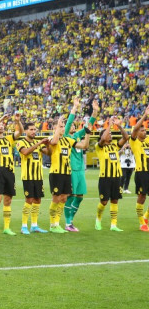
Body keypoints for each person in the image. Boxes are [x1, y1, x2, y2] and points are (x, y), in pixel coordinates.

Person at [47, 116, 90, 233]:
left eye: (63, 127)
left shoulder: (68, 140)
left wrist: (87, 134)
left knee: (64, 198)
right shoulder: (51, 138)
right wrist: (58, 124)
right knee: (56, 199)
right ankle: (52, 225)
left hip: (67, 173)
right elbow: (54, 142)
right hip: (56, 173)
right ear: (55, 129)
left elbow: (84, 146)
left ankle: (57, 224)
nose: (62, 128)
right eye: (60, 127)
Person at [63, 98, 99, 231]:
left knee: (79, 197)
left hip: (80, 170)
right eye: (71, 125)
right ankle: (67, 223)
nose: (73, 125)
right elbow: (68, 123)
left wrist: (95, 112)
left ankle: (71, 220)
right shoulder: (66, 136)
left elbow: (89, 126)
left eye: (74, 125)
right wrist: (74, 107)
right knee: (71, 196)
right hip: (71, 169)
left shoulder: (77, 135)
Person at [95, 117, 128, 232]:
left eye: (110, 133)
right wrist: (109, 125)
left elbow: (126, 138)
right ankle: (98, 219)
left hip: (117, 177)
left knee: (115, 200)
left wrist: (119, 126)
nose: (110, 134)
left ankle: (113, 225)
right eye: (108, 133)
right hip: (105, 178)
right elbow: (103, 138)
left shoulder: (114, 146)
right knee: (104, 202)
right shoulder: (99, 147)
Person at [15, 123, 50, 234]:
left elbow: (49, 153)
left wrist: (48, 145)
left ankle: (34, 225)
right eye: (31, 129)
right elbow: (25, 152)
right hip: (28, 176)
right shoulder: (21, 142)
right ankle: (24, 226)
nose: (34, 131)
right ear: (26, 131)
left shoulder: (38, 143)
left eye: (35, 129)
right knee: (29, 200)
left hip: (38, 176)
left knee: (37, 200)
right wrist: (39, 143)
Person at [129, 106, 149, 231]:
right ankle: (142, 223)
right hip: (141, 172)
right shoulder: (134, 142)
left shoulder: (148, 140)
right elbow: (135, 128)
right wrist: (145, 115)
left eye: (145, 130)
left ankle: (146, 216)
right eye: (142, 130)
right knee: (142, 196)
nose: (144, 132)